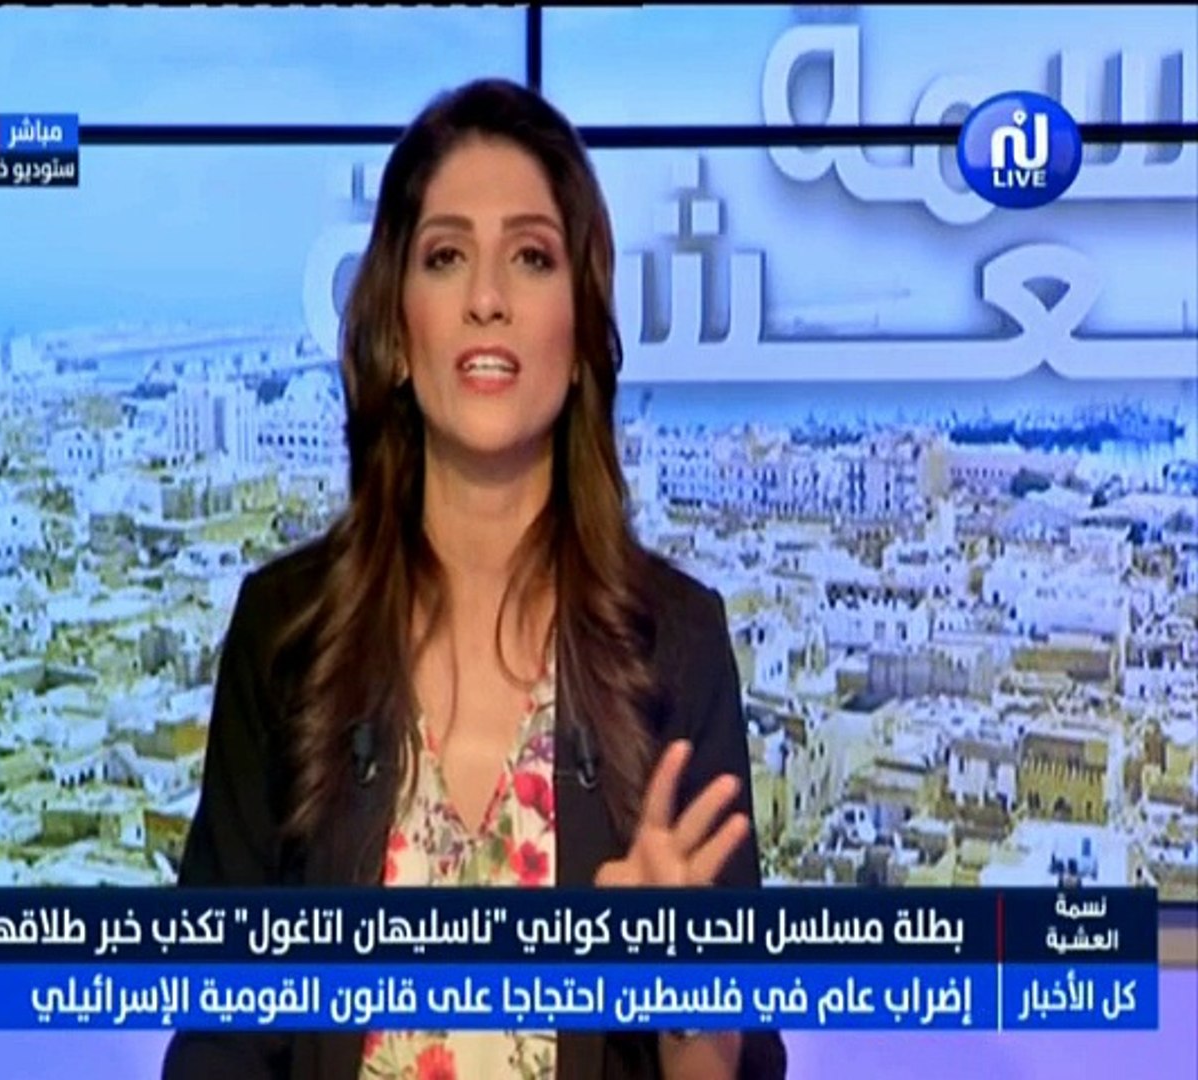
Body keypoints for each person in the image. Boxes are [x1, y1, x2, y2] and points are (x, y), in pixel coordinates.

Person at [163, 77, 786, 1080]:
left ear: (579, 339)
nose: (487, 299)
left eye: (532, 258)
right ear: (397, 334)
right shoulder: (288, 634)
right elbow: (217, 1043)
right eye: (446, 256)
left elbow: (734, 1065)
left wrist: (685, 1000)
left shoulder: (674, 643)